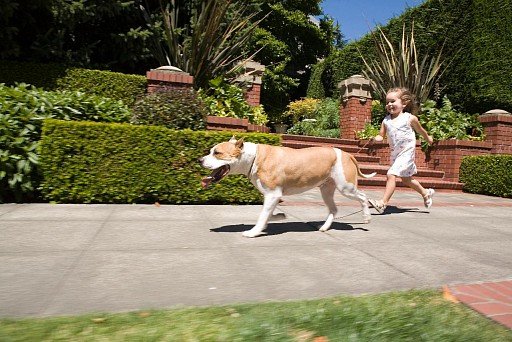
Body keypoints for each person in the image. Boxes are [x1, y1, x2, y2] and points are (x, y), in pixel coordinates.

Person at [368, 87, 435, 214]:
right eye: (387, 102)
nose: (389, 105)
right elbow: (381, 136)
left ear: (404, 103)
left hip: (407, 152)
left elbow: (421, 130)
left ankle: (382, 203)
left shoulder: (409, 118)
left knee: (391, 174)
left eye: (393, 101)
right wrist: (375, 138)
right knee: (406, 179)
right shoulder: (386, 121)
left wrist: (428, 138)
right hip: (396, 155)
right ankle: (426, 193)